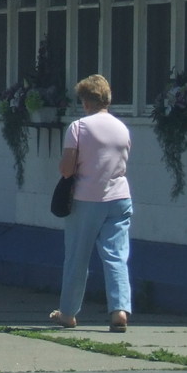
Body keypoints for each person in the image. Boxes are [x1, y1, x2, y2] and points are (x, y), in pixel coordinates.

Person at [52, 73, 133, 332]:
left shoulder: (78, 128)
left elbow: (66, 169)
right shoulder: (122, 129)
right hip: (120, 198)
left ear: (86, 101)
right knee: (116, 256)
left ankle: (68, 313)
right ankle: (119, 310)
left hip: (86, 199)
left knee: (78, 256)